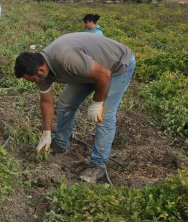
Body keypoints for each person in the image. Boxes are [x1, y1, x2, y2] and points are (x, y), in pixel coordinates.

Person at [14, 32, 136, 183]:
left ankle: (98, 165)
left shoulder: (66, 59)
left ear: (40, 70)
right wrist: (46, 133)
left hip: (116, 66)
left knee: (104, 116)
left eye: (33, 79)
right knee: (65, 104)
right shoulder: (40, 72)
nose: (35, 82)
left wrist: (97, 103)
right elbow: (47, 102)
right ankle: (60, 142)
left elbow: (104, 74)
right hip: (88, 70)